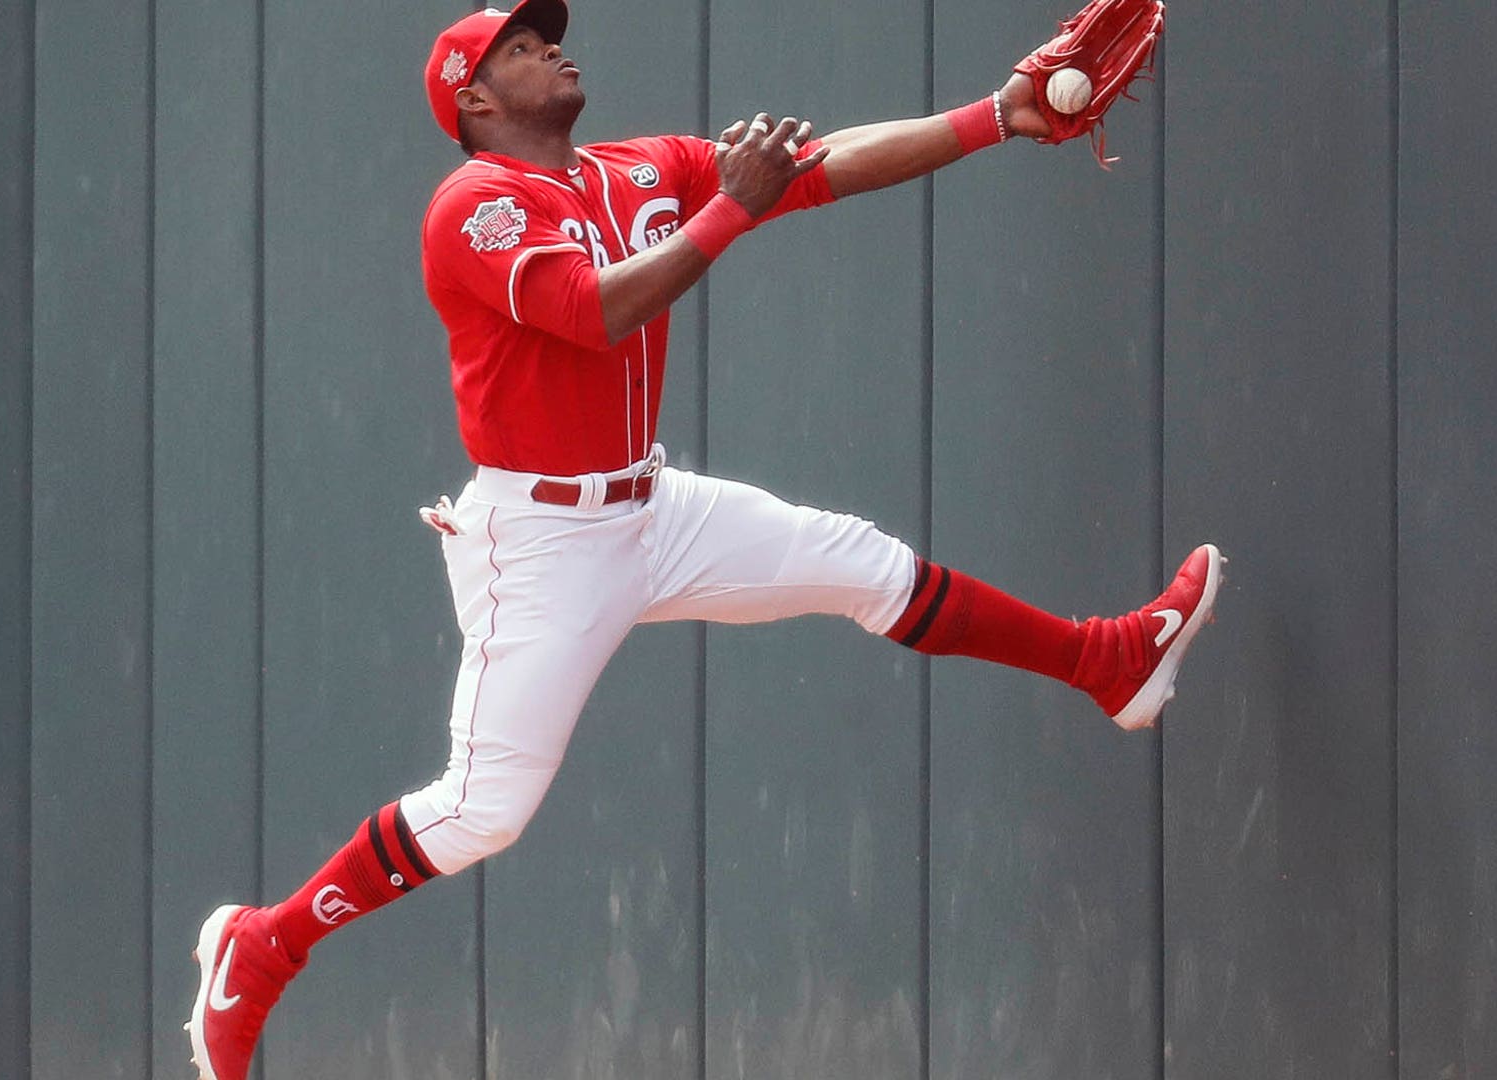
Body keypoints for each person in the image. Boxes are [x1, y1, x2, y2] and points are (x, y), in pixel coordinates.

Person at [186, 3, 1219, 1076]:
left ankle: (1108, 662)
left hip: (651, 505)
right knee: (481, 812)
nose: (550, 47)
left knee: (863, 563)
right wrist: (728, 209)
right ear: (474, 100)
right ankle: (261, 948)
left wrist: (994, 117)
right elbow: (595, 311)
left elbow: (818, 167)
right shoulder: (473, 206)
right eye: (518, 49)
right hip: (542, 541)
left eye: (545, 35)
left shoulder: (642, 167)